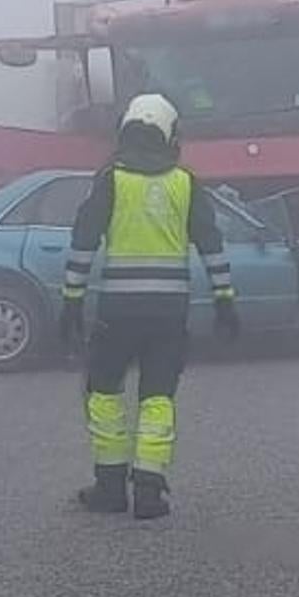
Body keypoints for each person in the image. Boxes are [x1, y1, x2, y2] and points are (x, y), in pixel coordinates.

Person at [59, 93, 240, 519]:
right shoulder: (184, 183)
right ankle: (149, 490)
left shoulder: (110, 180)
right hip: (168, 312)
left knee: (104, 392)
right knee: (158, 396)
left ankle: (109, 487)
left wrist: (71, 301)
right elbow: (211, 245)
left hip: (117, 312)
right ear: (169, 134)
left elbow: (83, 242)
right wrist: (225, 300)